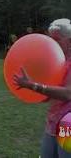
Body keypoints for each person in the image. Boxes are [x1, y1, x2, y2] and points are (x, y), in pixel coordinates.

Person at [13, 18, 71, 158]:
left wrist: (32, 85)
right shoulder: (57, 62)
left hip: (68, 123)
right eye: (51, 39)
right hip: (53, 119)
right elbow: (50, 93)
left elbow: (68, 93)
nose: (52, 44)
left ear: (70, 42)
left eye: (57, 40)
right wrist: (34, 91)